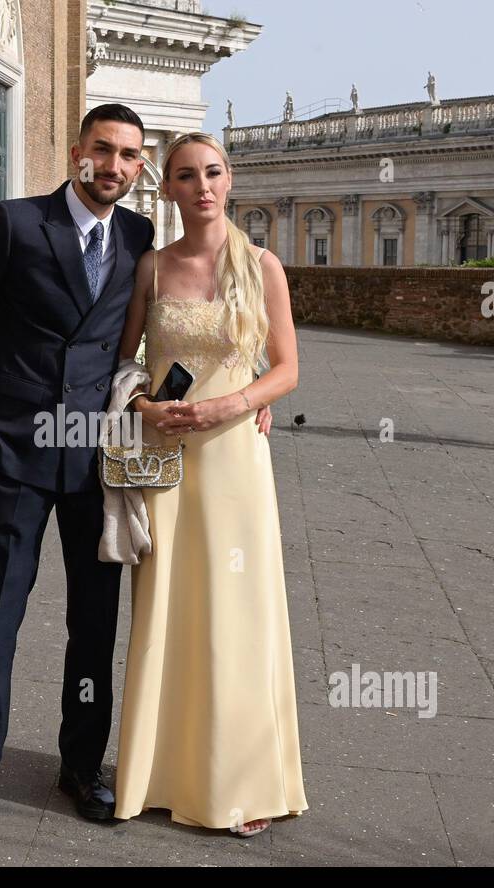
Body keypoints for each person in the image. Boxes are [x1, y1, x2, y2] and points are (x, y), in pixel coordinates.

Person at [0, 104, 181, 826]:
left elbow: (155, 330)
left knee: (94, 626)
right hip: (16, 451)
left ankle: (80, 768)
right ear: (77, 153)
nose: (116, 166)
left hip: (98, 463)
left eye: (130, 155)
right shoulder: (14, 222)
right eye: (104, 150)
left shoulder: (138, 234)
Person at [112, 131, 308, 838]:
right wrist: (142, 408)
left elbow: (286, 368)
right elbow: (123, 361)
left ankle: (242, 781)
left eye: (214, 173)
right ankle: (161, 774)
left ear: (231, 182)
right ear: (166, 188)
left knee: (238, 612)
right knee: (170, 608)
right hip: (167, 459)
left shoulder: (262, 266)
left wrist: (235, 405)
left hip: (234, 460)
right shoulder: (151, 268)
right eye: (186, 175)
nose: (202, 186)